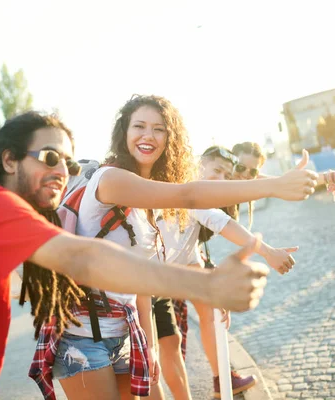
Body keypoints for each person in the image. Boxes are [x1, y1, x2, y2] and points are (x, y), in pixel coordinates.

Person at [0, 111, 272, 400]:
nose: (61, 171)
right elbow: (83, 259)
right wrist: (205, 285)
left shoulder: (14, 212)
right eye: (48, 156)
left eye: (69, 163)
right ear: (9, 161)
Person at [32, 95, 319, 400]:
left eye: (159, 129)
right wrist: (273, 186)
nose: (148, 136)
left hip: (124, 334)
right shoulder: (111, 178)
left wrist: (150, 345)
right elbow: (189, 195)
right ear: (124, 133)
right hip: (81, 337)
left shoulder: (148, 204)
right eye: (139, 126)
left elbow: (138, 279)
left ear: (170, 139)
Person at [153, 146, 299, 400]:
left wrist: (214, 289)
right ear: (197, 165)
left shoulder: (200, 202)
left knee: (173, 342)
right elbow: (226, 225)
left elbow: (191, 255)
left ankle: (221, 379)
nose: (221, 180)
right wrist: (267, 252)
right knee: (146, 355)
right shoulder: (191, 191)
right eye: (216, 171)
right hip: (139, 280)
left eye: (225, 176)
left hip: (165, 277)